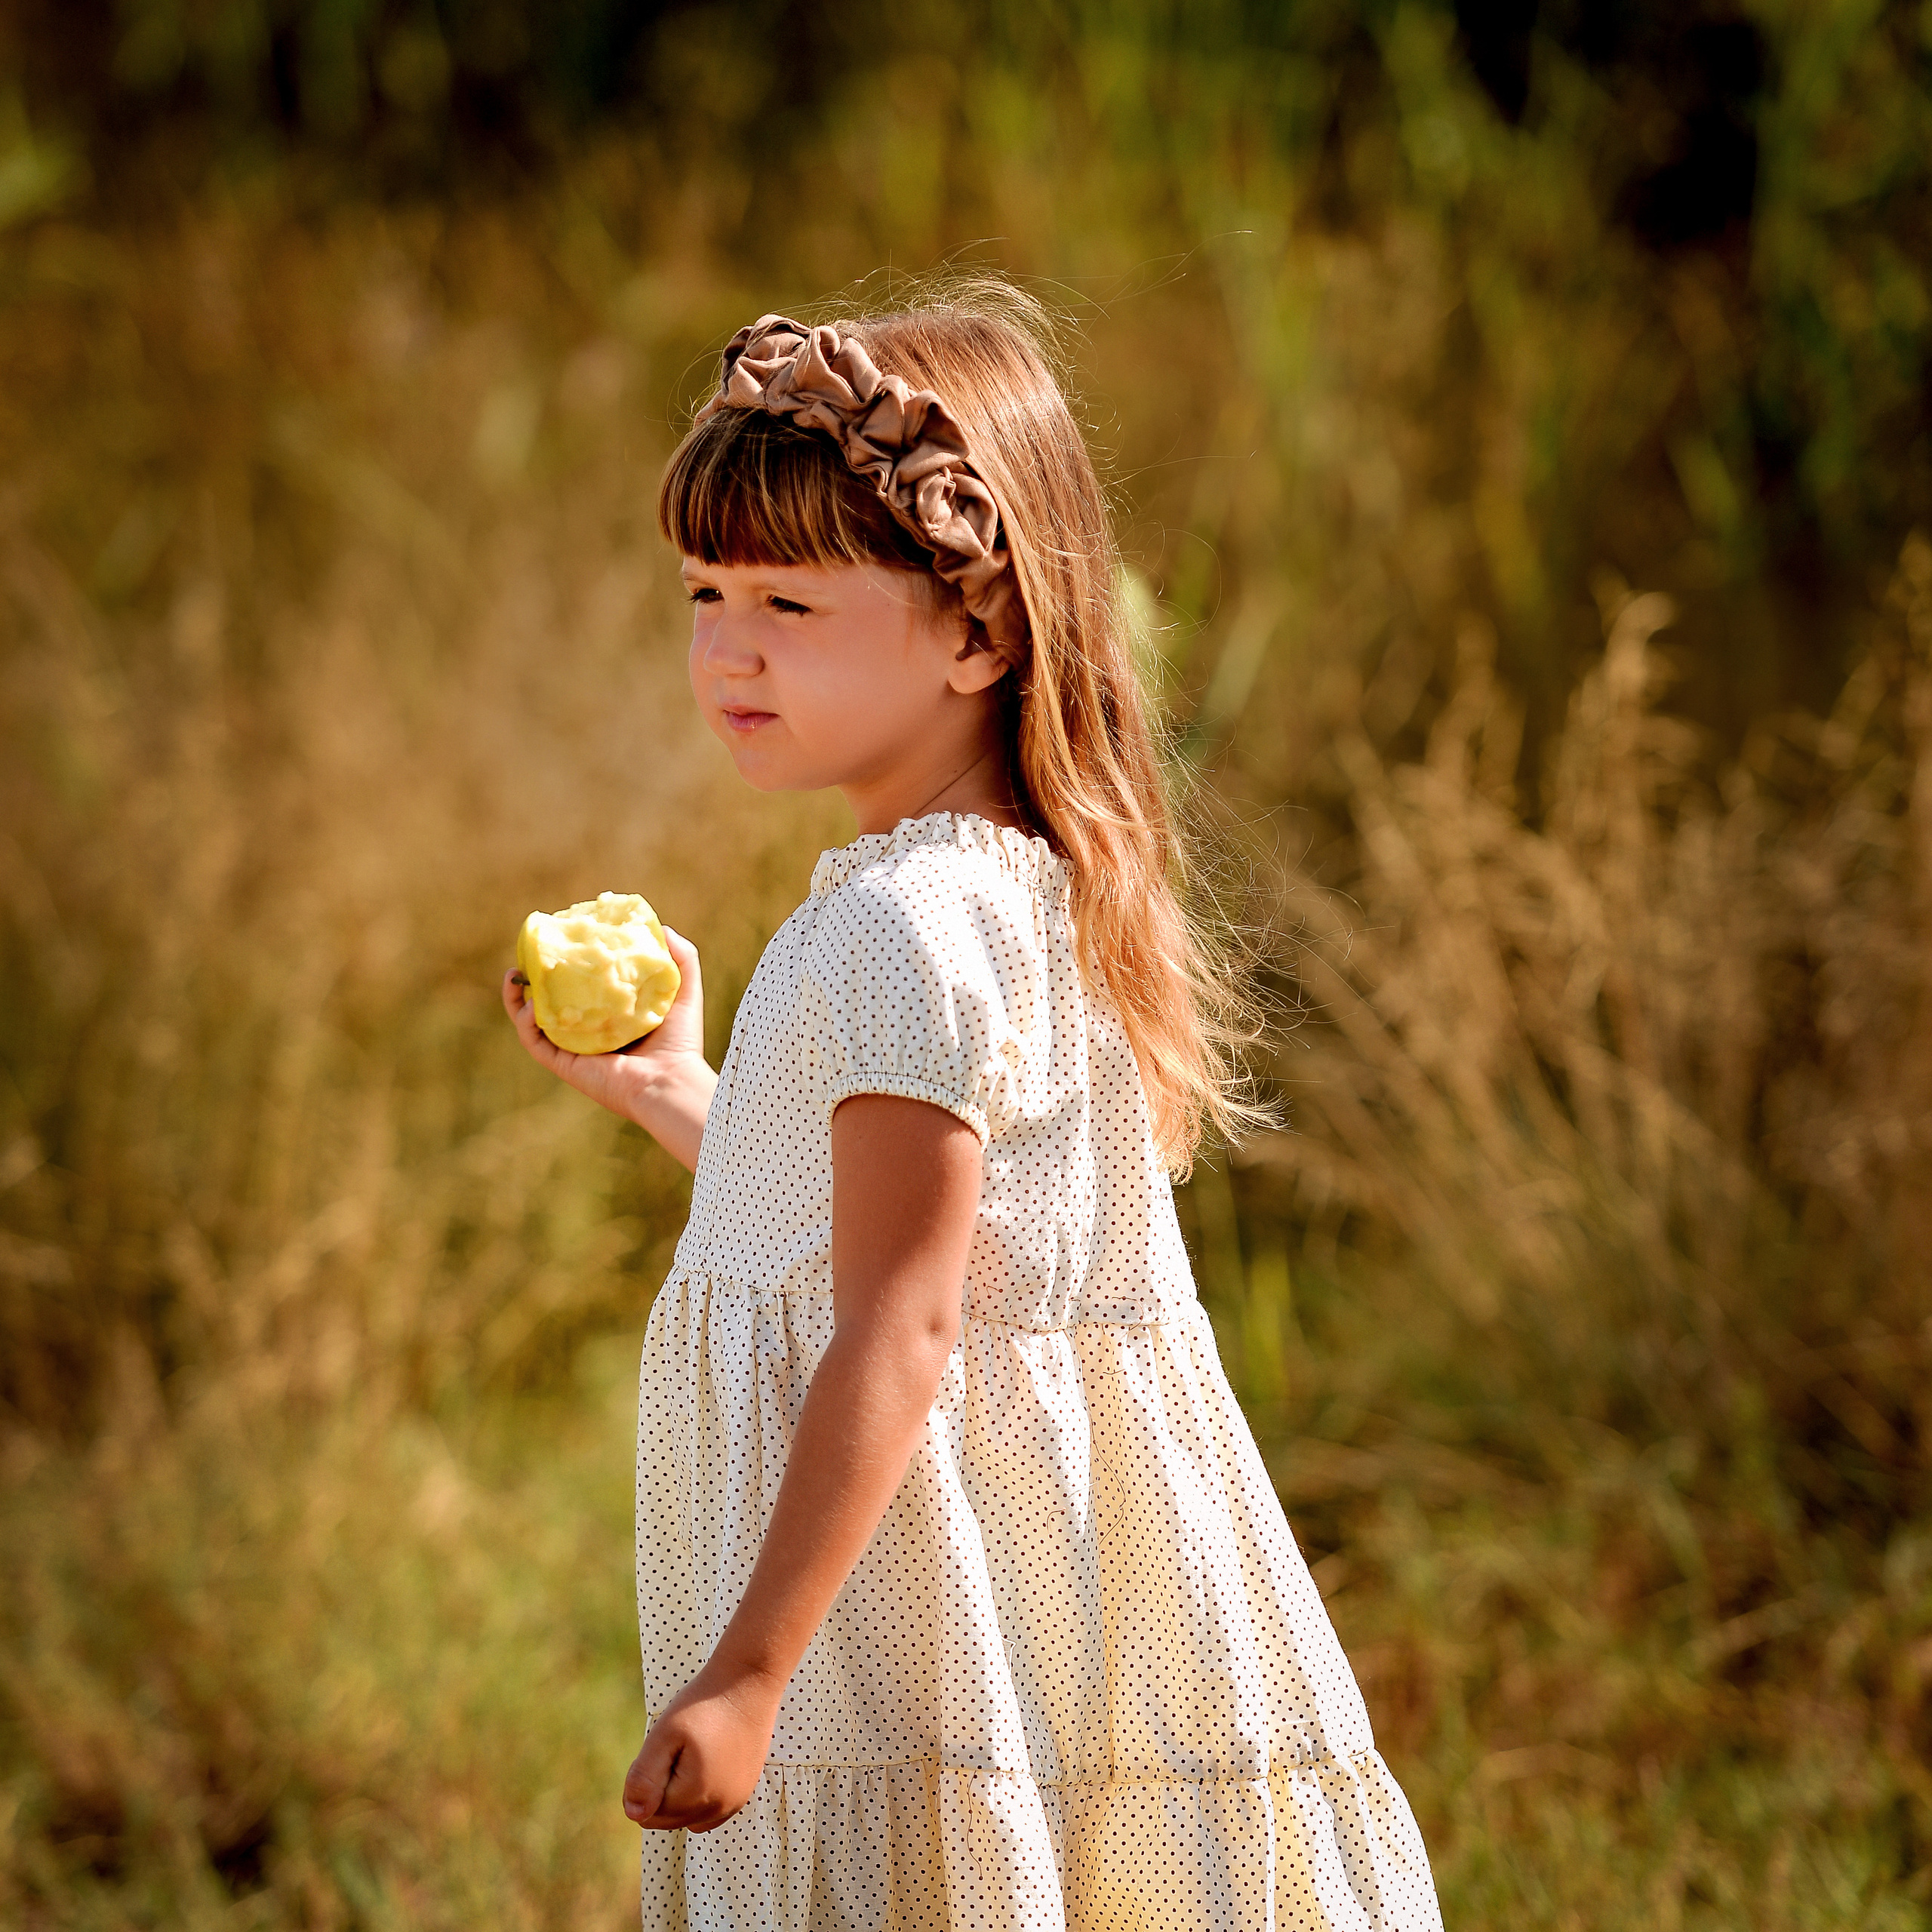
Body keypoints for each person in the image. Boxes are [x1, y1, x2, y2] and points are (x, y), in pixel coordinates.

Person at [503, 289, 1442, 1931]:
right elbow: (939, 1242)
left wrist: (746, 1672)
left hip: (909, 1606)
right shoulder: (1016, 889)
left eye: (791, 598)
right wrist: (678, 1093)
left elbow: (902, 1317)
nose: (726, 645)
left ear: (975, 629)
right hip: (1039, 1580)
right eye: (704, 591)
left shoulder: (887, 926)